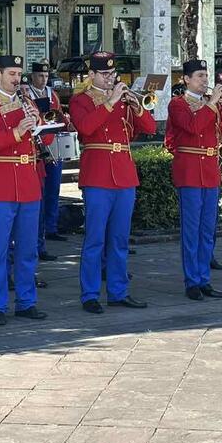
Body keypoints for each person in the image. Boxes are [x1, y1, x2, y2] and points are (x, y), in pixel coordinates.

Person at [69, 51, 155, 314]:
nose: (110, 78)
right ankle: (90, 294)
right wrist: (110, 102)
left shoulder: (123, 100)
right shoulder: (80, 100)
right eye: (104, 74)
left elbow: (150, 128)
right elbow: (85, 128)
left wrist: (136, 105)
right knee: (95, 239)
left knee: (119, 239)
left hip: (124, 174)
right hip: (97, 176)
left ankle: (118, 291)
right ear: (91, 75)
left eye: (112, 74)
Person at [0, 55, 48, 325]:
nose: (17, 78)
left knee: (28, 249)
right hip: (1, 184)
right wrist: (16, 132)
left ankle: (27, 302)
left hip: (28, 183)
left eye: (19, 73)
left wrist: (41, 123)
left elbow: (44, 138)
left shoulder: (27, 102)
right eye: (11, 73)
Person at [167, 58, 222, 301]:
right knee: (191, 230)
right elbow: (192, 127)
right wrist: (214, 103)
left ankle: (204, 278)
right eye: (199, 76)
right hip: (189, 171)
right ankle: (192, 281)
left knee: (208, 230)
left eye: (206, 76)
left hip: (210, 171)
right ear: (186, 79)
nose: (205, 81)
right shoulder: (178, 104)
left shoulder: (211, 104)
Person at [25, 60, 67, 259]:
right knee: (39, 196)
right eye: (40, 76)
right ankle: (38, 241)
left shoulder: (53, 94)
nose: (44, 79)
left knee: (53, 189)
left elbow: (59, 116)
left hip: (52, 143)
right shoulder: (26, 94)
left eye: (46, 76)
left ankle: (51, 227)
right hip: (36, 145)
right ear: (33, 76)